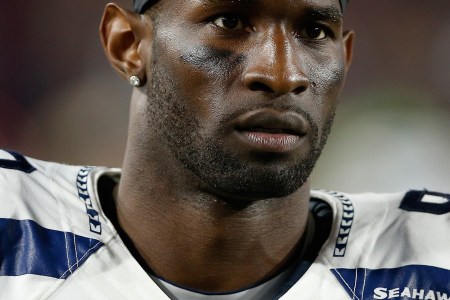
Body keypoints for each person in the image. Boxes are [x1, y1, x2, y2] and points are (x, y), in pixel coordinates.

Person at [0, 0, 449, 299]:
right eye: (229, 22)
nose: (283, 73)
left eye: (313, 31)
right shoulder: (13, 228)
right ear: (129, 45)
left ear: (344, 62)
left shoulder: (433, 257)